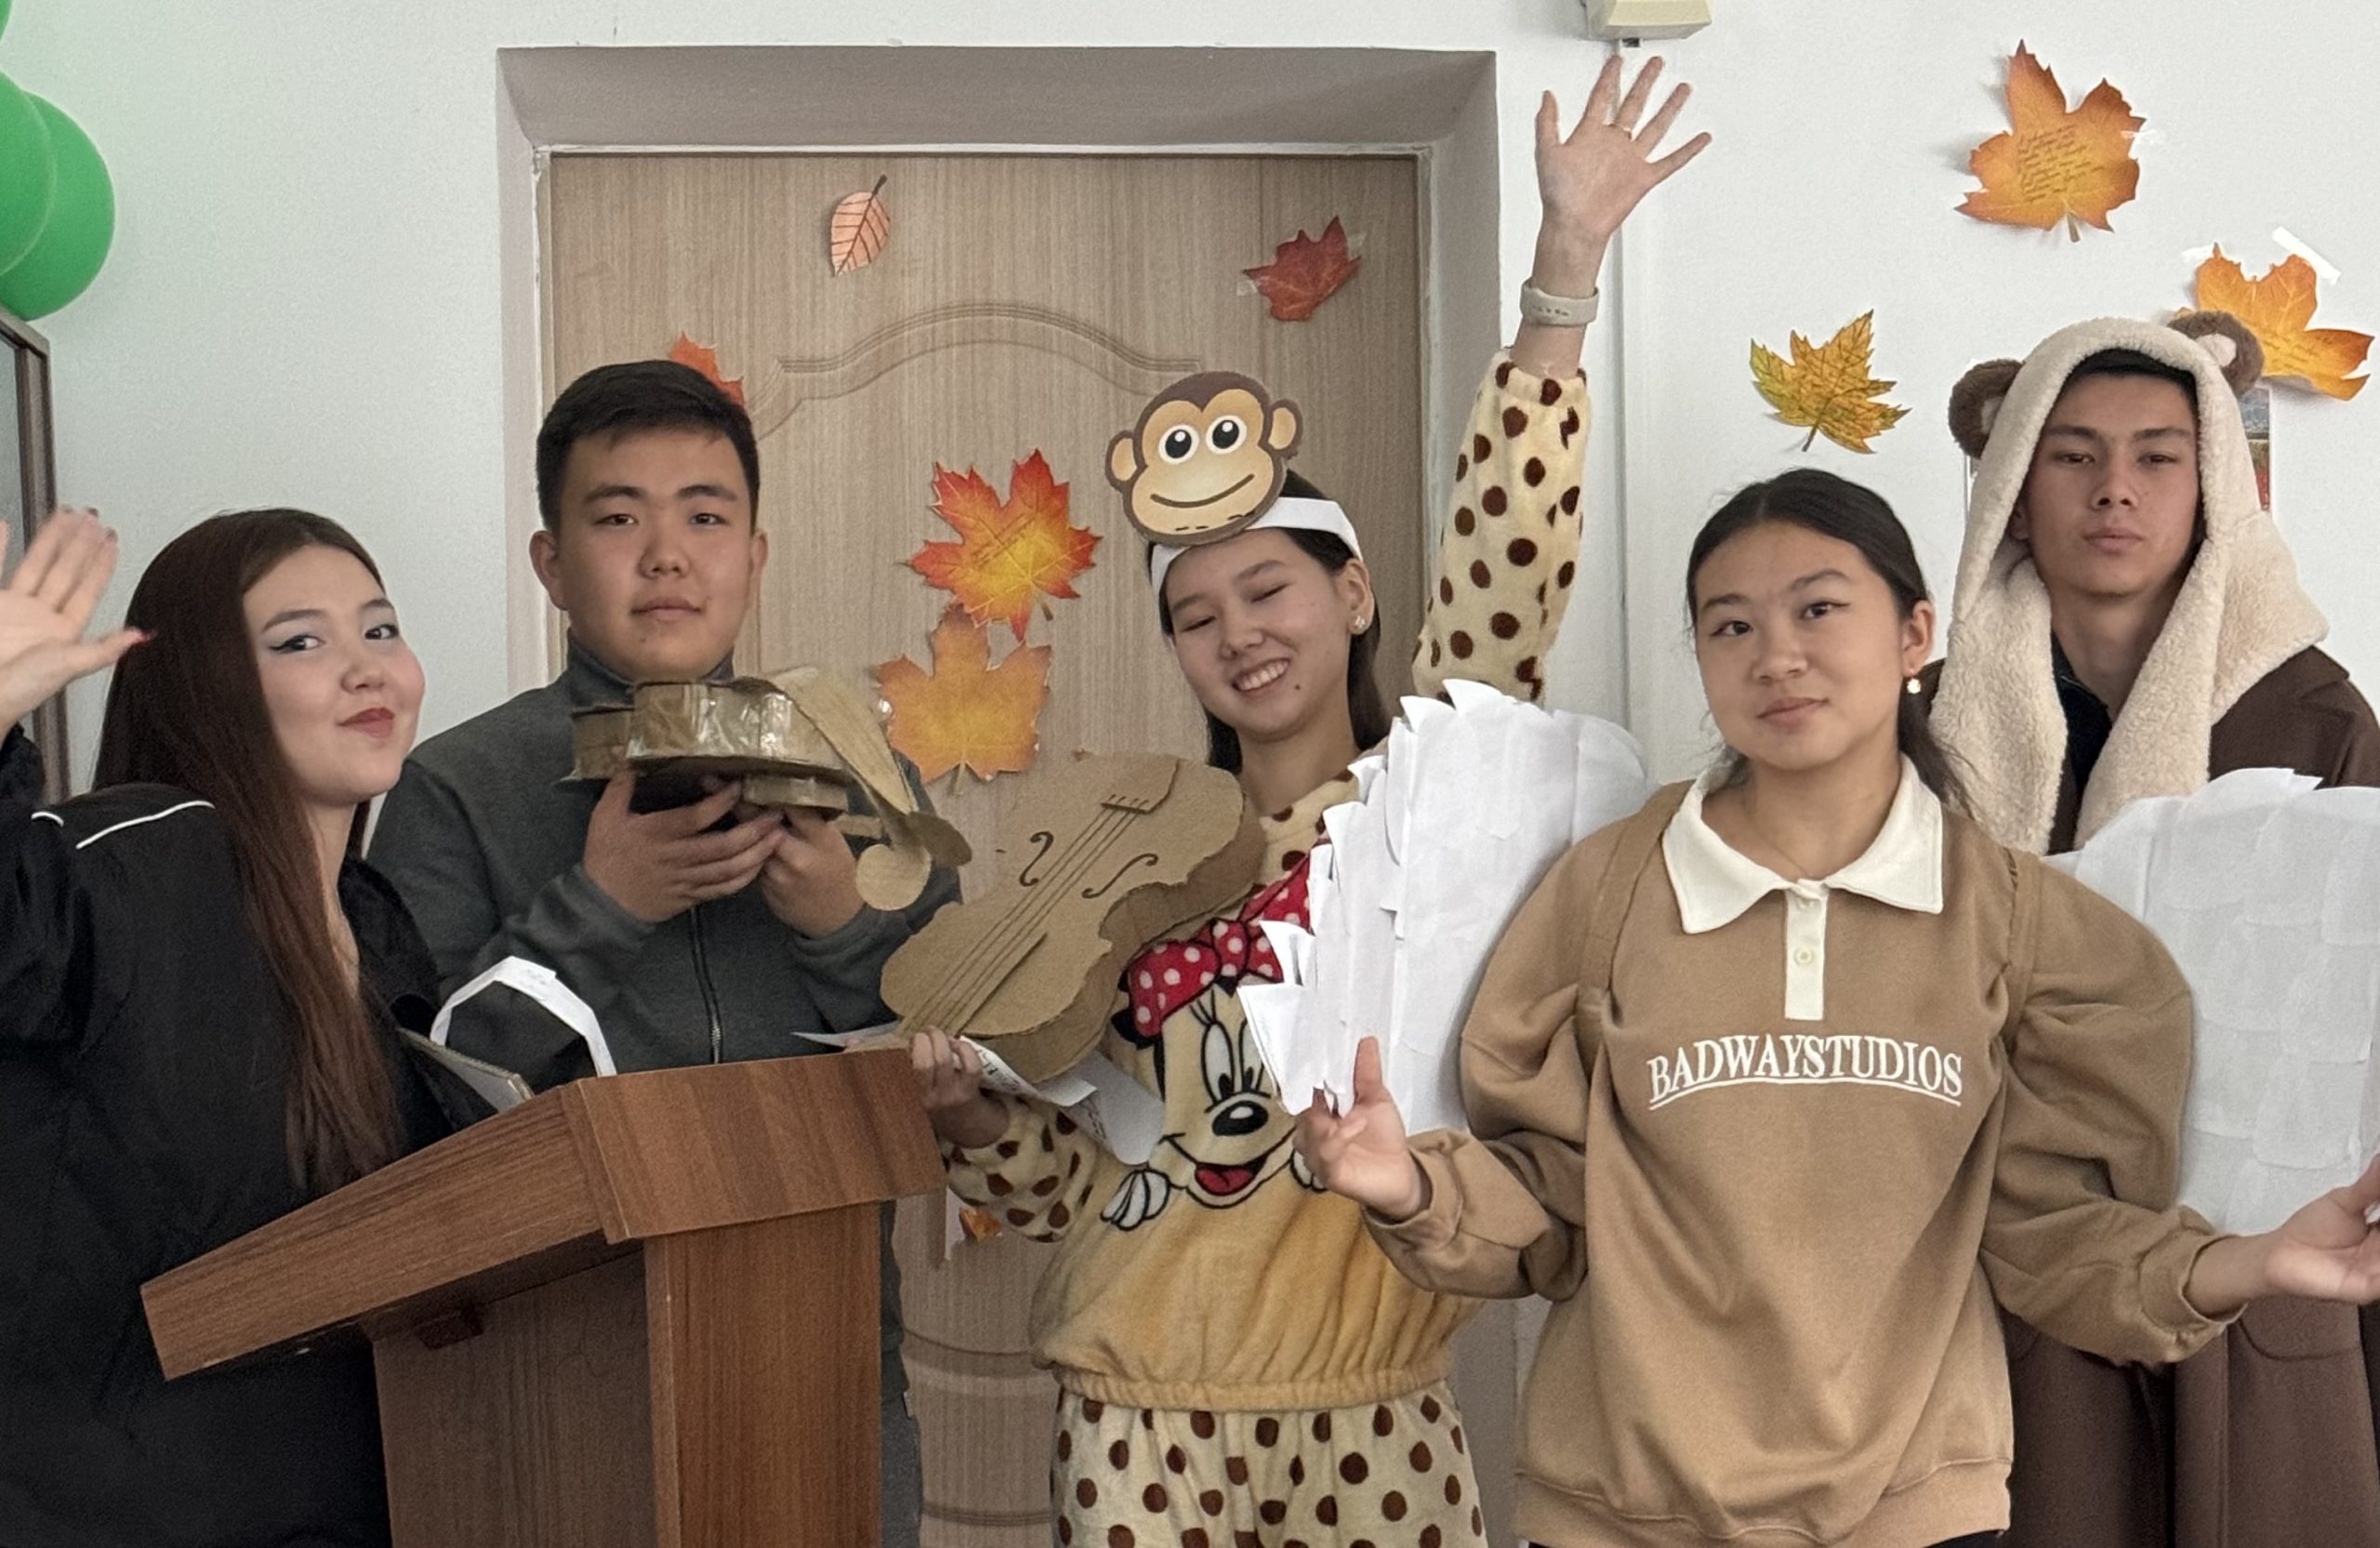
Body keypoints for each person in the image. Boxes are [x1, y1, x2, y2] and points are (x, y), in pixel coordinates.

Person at [906, 56, 1708, 1545]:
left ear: (1353, 592)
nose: (1240, 635)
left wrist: (1564, 278)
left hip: (1375, 1408)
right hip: (1132, 1412)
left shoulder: (1430, 802)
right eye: (1195, 615)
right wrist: (970, 1120)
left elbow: (1508, 573)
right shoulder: (1127, 872)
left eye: (1269, 588)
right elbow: (1089, 1187)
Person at [1296, 468, 2380, 1548]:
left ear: (1914, 634)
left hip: (1915, 1517)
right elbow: (1552, 1210)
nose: (1775, 656)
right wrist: (1409, 1186)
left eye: (1817, 609)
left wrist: (2256, 1261)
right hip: (1617, 1514)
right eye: (1730, 625)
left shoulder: (2031, 928)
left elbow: (2060, 1242)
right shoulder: (1602, 892)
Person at [368, 359, 954, 1541]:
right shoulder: (452, 787)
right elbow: (413, 1116)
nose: (667, 556)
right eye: (618, 518)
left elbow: (962, 1075)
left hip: (829, 1357)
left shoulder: (859, 770)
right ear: (551, 564)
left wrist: (840, 926)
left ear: (756, 553)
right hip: (554, 1381)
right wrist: (603, 903)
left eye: (705, 516)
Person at [1931, 311, 2380, 1547]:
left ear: (2213, 483)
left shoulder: (2319, 720)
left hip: (2263, 1229)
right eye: (2071, 456)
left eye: (2157, 456)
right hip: (2021, 1232)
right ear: (2014, 489)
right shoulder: (1935, 729)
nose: (2114, 490)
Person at [0, 508, 453, 1547]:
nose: (365, 667)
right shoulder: (145, 859)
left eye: (380, 629)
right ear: (206, 684)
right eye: (301, 641)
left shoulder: (376, 923)